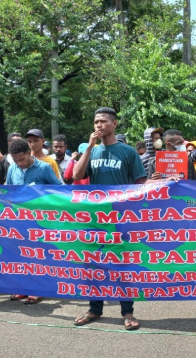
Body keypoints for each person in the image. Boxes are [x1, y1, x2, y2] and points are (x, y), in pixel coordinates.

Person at [72, 107, 146, 330]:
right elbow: (76, 176)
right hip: (95, 217)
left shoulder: (127, 152)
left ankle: (127, 312)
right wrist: (88, 148)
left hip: (121, 217)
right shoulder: (91, 151)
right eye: (95, 122)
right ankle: (94, 309)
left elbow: (140, 183)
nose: (98, 126)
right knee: (93, 263)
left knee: (121, 264)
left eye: (103, 121)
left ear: (114, 124)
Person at [5, 138, 61, 304]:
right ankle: (23, 288)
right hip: (19, 221)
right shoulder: (12, 169)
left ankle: (38, 289)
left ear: (29, 153)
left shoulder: (44, 168)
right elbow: (8, 190)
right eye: (15, 160)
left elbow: (58, 190)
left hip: (40, 221)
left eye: (22, 159)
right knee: (21, 255)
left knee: (38, 257)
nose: (19, 163)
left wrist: (39, 195)